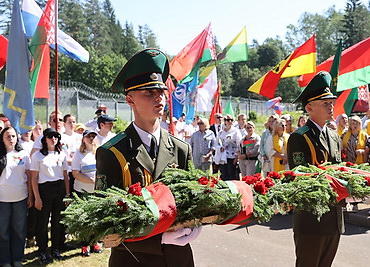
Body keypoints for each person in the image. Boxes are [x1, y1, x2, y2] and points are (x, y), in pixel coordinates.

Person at [95, 49, 200, 267]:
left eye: (161, 92)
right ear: (130, 99)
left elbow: (193, 200)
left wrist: (196, 223)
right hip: (134, 259)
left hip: (177, 258)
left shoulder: (181, 149)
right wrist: (158, 238)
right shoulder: (112, 152)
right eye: (148, 92)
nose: (158, 98)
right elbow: (105, 221)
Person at [287, 71, 343, 267]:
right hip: (312, 220)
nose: (331, 106)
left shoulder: (334, 136)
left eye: (331, 102)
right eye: (325, 103)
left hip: (334, 219)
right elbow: (302, 179)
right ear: (310, 108)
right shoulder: (300, 137)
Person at [31, 128, 69, 264]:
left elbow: (65, 176)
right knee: (42, 222)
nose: (53, 139)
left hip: (59, 189)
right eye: (50, 136)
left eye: (56, 136)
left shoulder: (62, 154)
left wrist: (67, 194)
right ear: (44, 139)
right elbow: (34, 178)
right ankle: (42, 250)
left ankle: (56, 248)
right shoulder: (38, 156)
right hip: (44, 189)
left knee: (57, 221)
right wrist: (37, 198)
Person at [0, 127, 32, 267]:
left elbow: (30, 177)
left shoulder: (24, 154)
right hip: (2, 199)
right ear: (2, 138)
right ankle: (5, 260)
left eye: (13, 136)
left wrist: (31, 195)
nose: (11, 139)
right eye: (7, 136)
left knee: (19, 230)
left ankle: (17, 258)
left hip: (21, 197)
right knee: (3, 231)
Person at [71, 129, 101, 256]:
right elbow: (75, 173)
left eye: (93, 136)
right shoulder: (78, 154)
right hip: (82, 190)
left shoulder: (99, 152)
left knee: (96, 217)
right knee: (84, 218)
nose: (91, 139)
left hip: (96, 191)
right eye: (89, 136)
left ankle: (95, 241)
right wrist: (90, 181)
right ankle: (84, 244)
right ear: (83, 138)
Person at [218, 114, 242, 180]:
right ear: (224, 121)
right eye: (227, 120)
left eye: (231, 120)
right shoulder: (221, 132)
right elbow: (217, 143)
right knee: (224, 175)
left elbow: (239, 144)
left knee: (232, 175)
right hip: (223, 156)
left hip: (232, 156)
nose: (229, 121)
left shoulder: (236, 131)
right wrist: (220, 147)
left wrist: (236, 157)